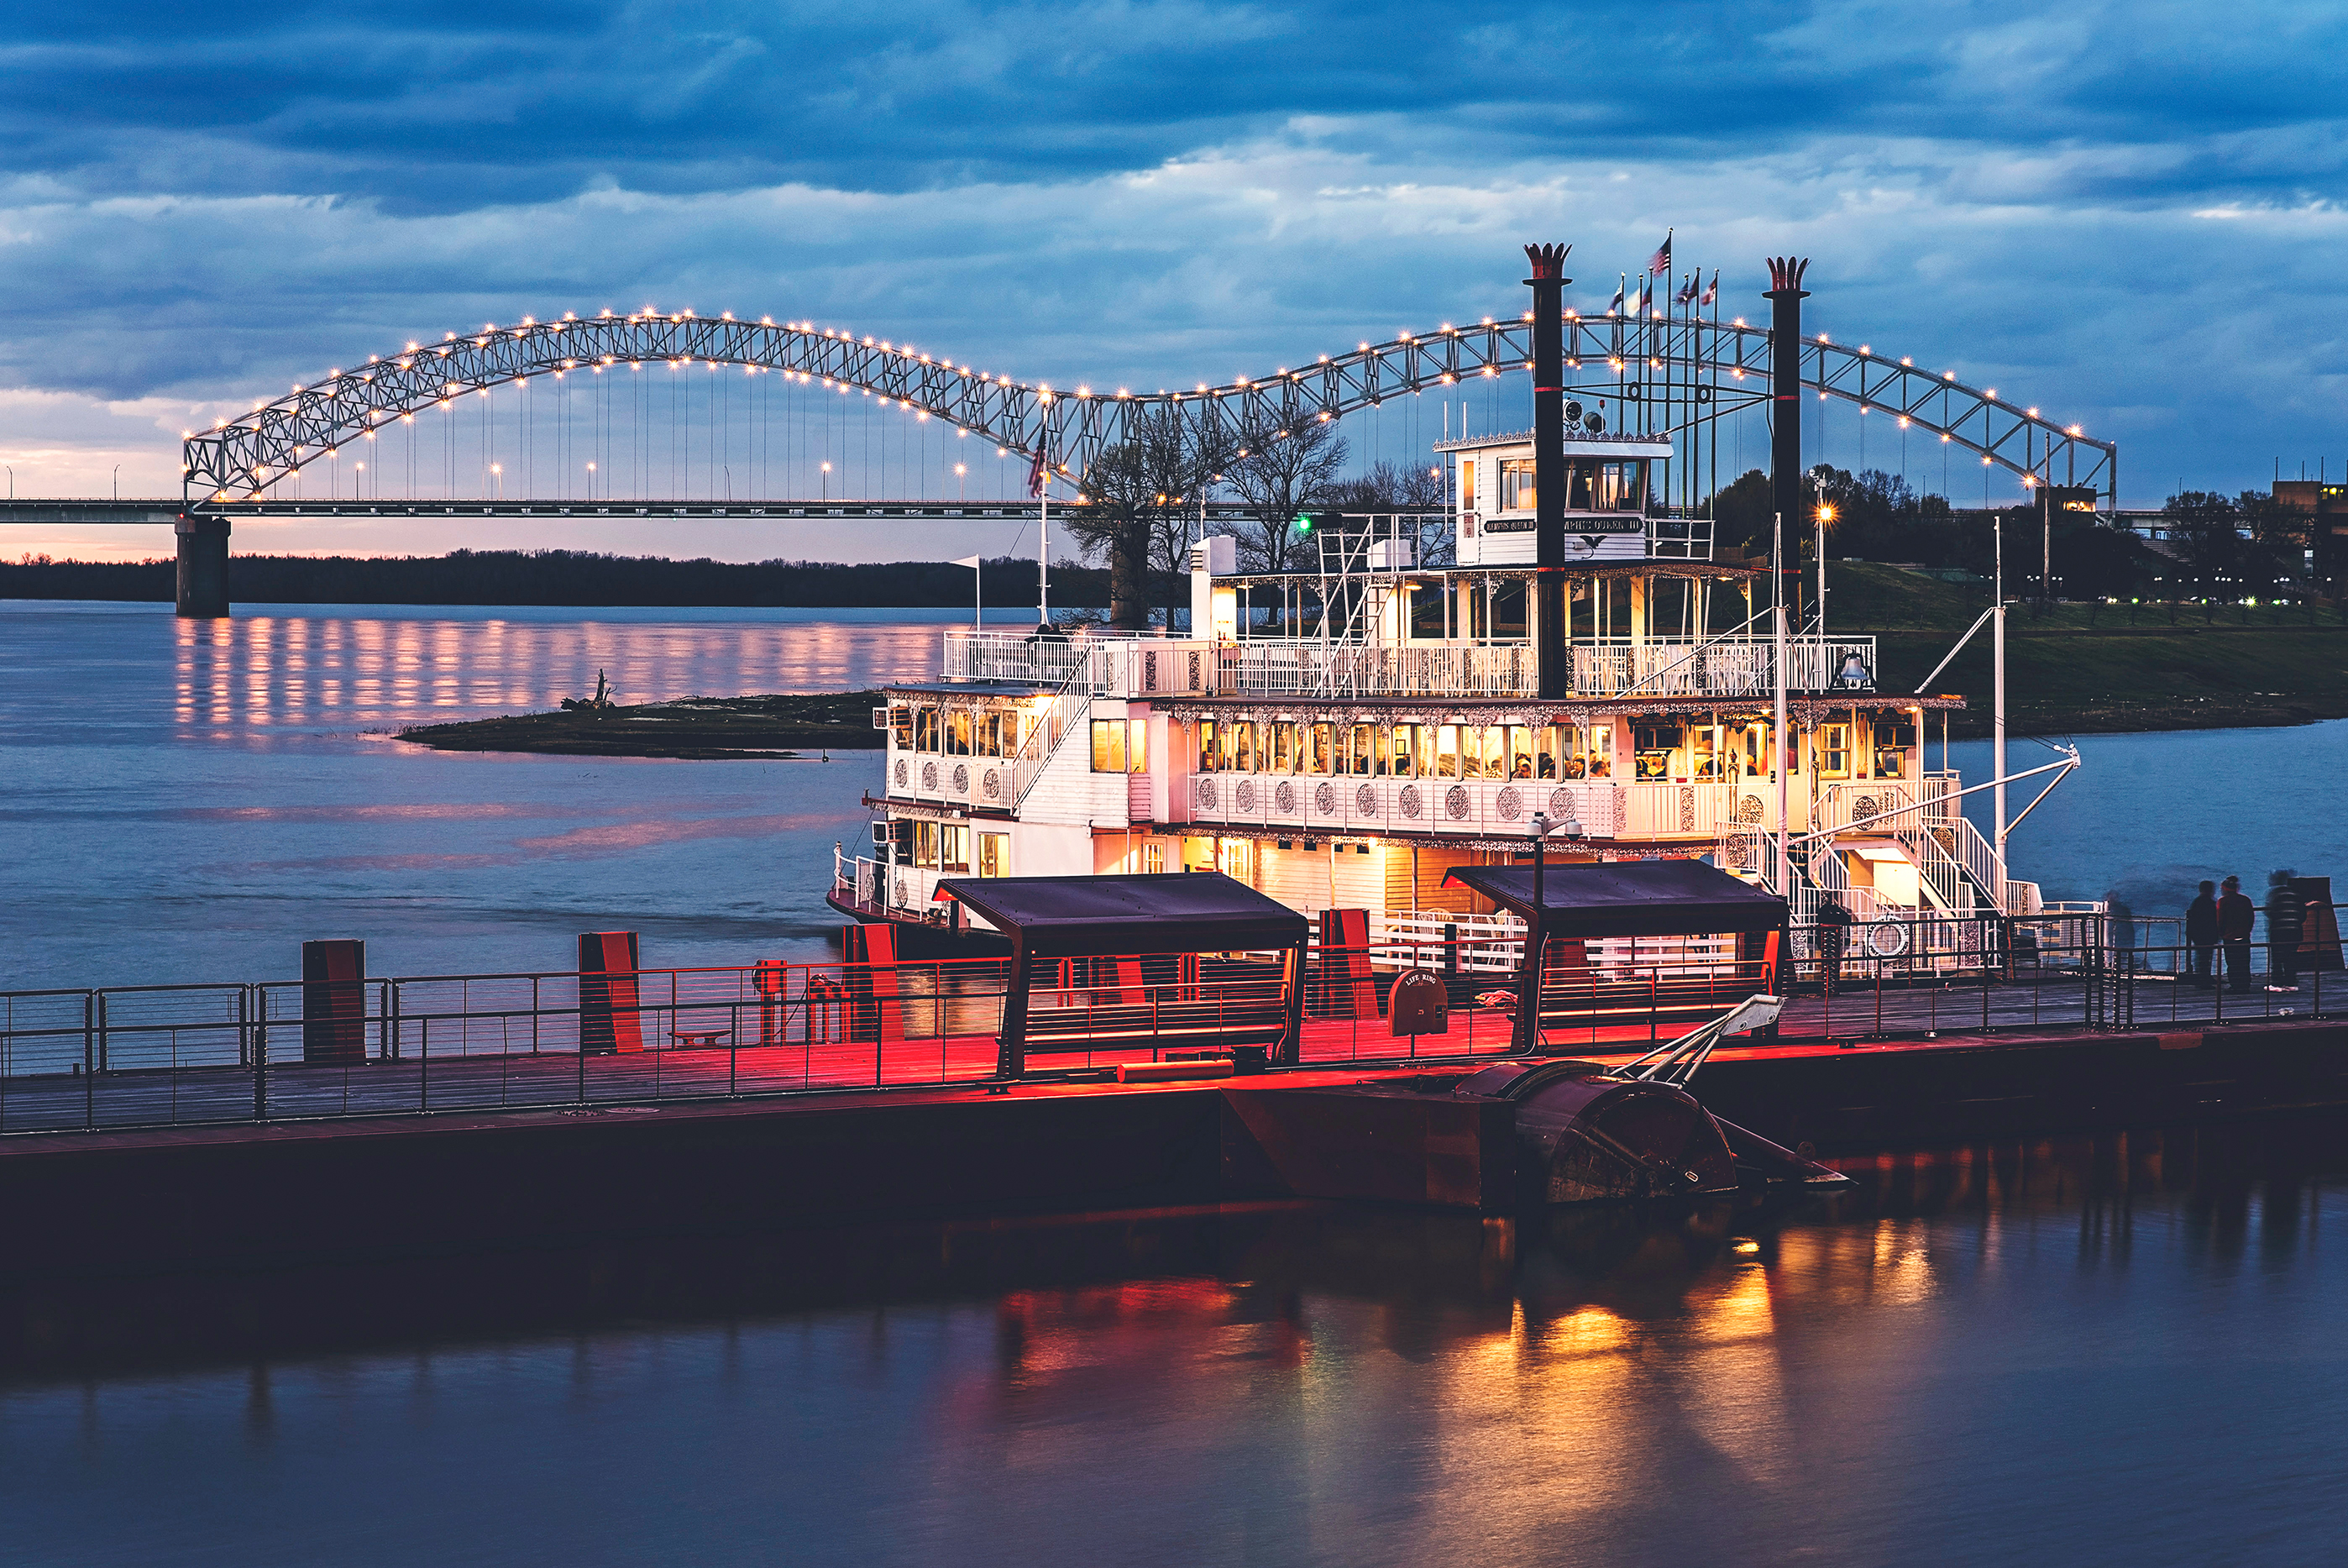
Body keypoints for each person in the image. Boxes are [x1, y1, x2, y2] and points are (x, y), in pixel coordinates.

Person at [2267, 869, 2305, 993]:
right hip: (2295, 931)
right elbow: (2303, 914)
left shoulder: (2275, 894)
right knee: (2291, 957)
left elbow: (2270, 912)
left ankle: (2277, 983)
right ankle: (2291, 983)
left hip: (2279, 931)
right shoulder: (2296, 894)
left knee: (2277, 958)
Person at [2218, 875, 2255, 994]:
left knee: (2232, 963)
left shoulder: (2223, 902)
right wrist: (2247, 931)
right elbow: (2251, 918)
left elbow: (2220, 920)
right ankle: (2245, 985)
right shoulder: (2245, 900)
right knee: (2244, 962)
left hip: (2230, 937)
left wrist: (2221, 933)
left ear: (2224, 889)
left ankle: (2235, 985)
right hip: (2244, 936)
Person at [1816, 893, 1855, 994]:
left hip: (1826, 938)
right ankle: (1832, 987)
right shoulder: (1835, 910)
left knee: (1827, 962)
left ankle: (1827, 987)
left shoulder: (1822, 911)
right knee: (1833, 961)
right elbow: (1847, 920)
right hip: (1834, 936)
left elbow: (1819, 921)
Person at [2184, 880, 2218, 989]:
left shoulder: (2197, 902)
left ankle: (2203, 978)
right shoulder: (2211, 903)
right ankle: (2204, 979)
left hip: (2199, 935)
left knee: (2201, 958)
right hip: (2208, 935)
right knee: (2206, 958)